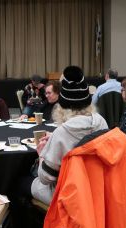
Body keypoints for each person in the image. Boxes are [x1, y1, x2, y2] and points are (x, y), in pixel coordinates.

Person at [30, 66, 108, 205]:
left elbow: (46, 178)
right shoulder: (101, 122)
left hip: (70, 195)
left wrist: (42, 154)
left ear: (62, 106)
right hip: (99, 189)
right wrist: (55, 136)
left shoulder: (63, 132)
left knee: (22, 182)